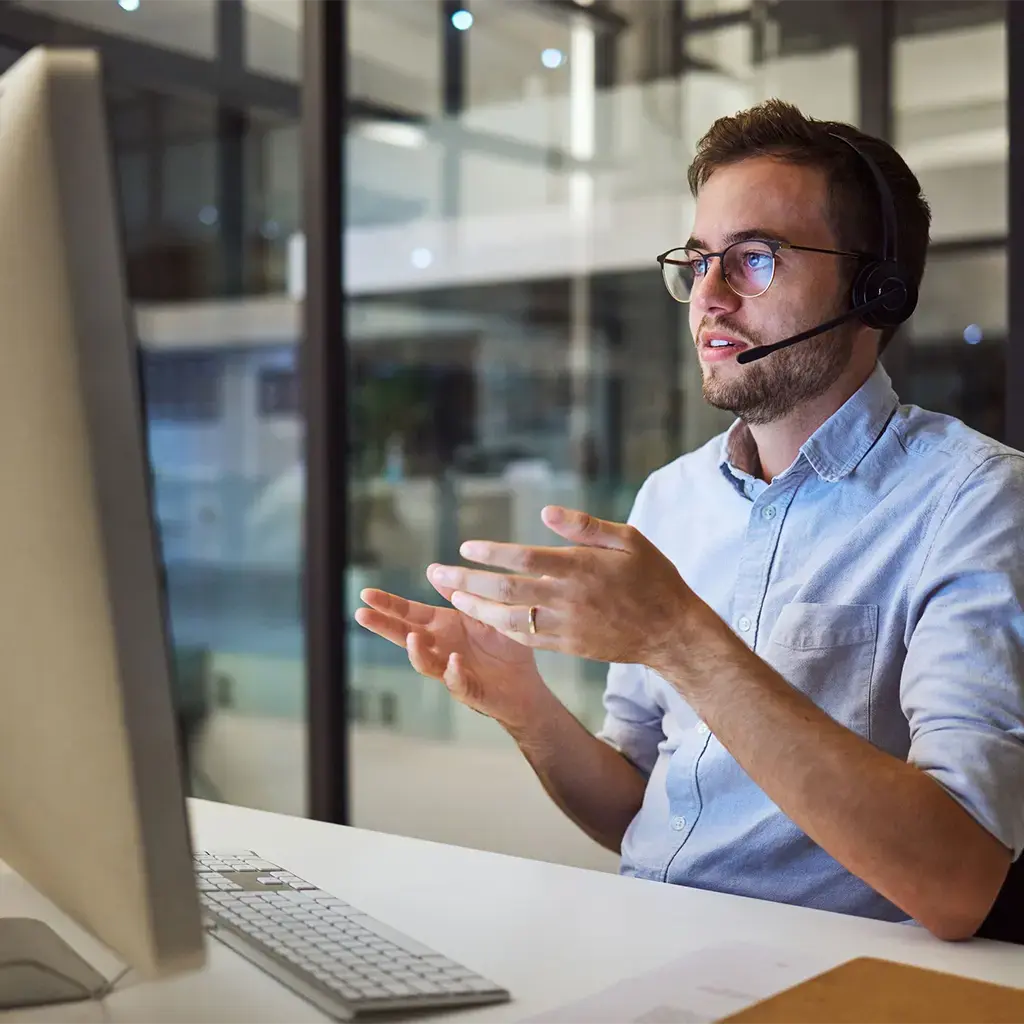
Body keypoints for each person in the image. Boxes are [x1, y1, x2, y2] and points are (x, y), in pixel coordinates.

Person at [355, 100, 1024, 941]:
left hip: (830, 978)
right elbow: (638, 809)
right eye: (698, 261)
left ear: (874, 291)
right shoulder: (671, 499)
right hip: (653, 941)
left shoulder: (975, 500)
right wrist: (525, 707)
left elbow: (961, 881)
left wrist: (680, 637)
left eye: (753, 259)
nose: (707, 295)